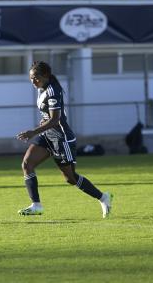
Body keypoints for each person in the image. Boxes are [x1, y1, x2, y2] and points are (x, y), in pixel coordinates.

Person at [16, 61, 113, 217]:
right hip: (47, 135)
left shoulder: (53, 91)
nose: (33, 81)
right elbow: (49, 117)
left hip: (61, 138)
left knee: (70, 178)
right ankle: (36, 205)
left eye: (36, 78)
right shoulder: (42, 89)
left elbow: (55, 120)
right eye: (31, 78)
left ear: (45, 76)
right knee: (27, 164)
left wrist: (33, 132)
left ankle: (103, 197)